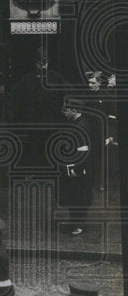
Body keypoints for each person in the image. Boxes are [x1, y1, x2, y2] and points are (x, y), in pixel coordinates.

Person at [59, 97, 98, 236]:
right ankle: (74, 222)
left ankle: (79, 224)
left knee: (79, 196)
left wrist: (77, 168)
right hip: (74, 166)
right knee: (74, 195)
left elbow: (83, 150)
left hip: (78, 168)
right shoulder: (78, 124)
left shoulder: (81, 126)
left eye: (67, 110)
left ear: (74, 110)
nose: (65, 112)